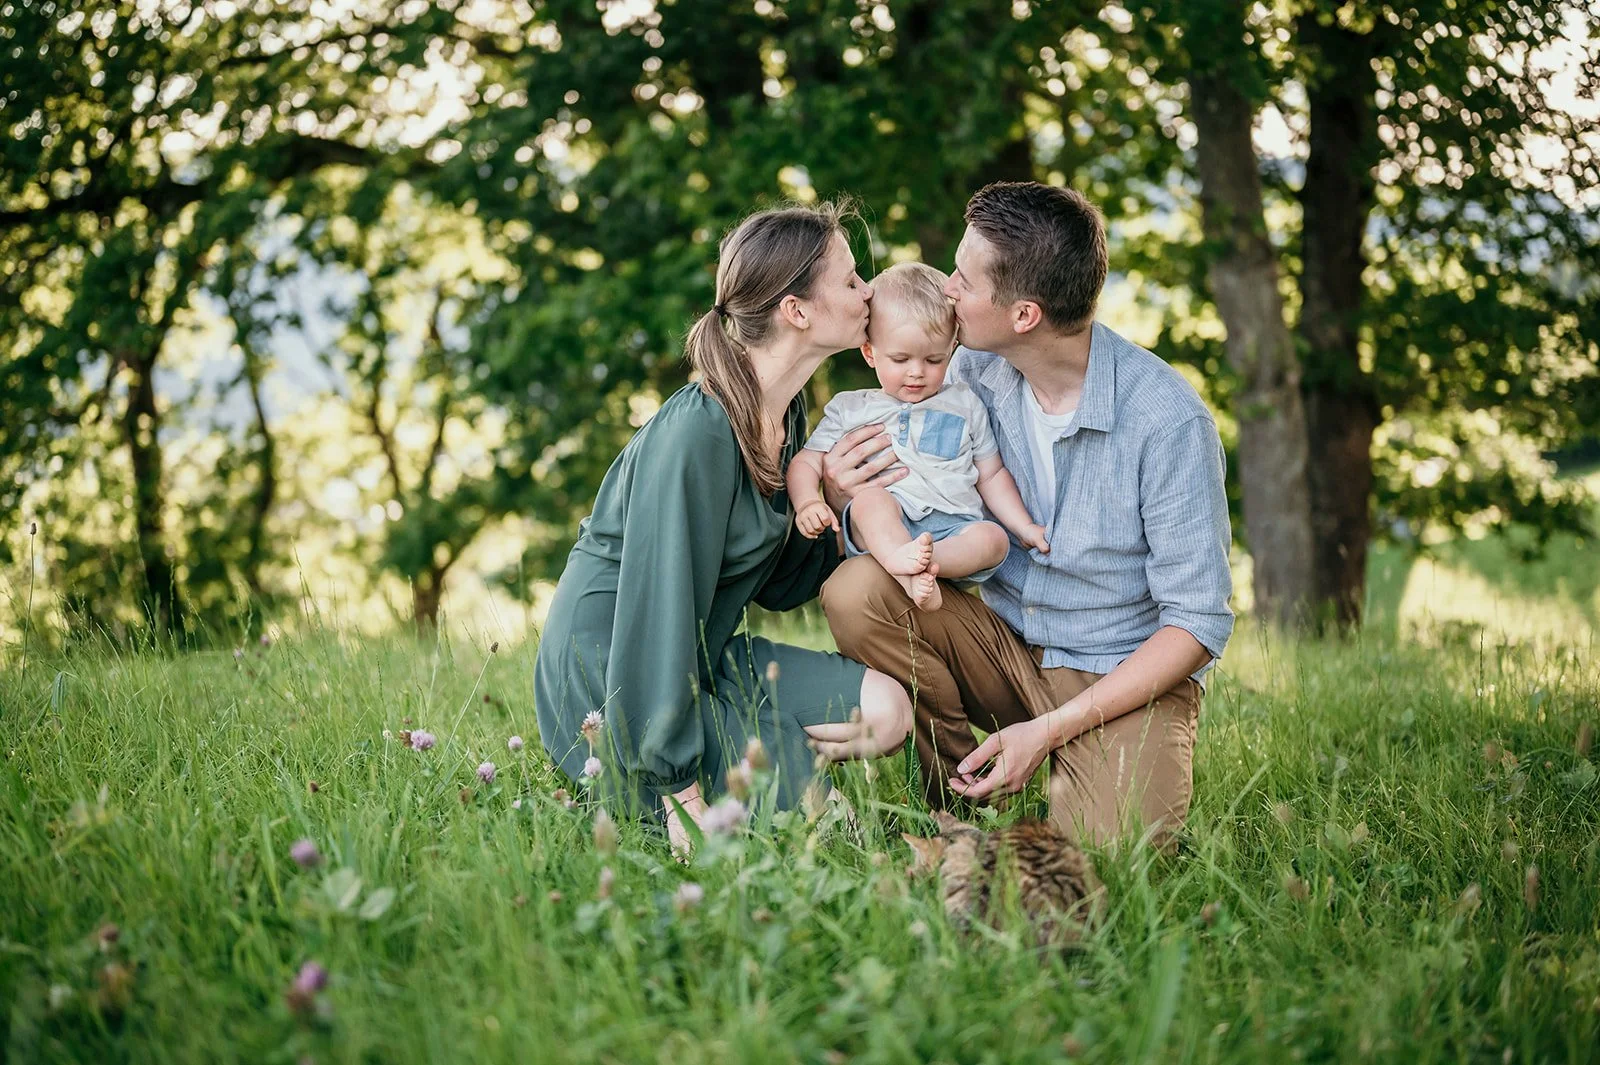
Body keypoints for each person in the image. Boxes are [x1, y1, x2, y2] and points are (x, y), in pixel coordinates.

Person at [819, 182, 1234, 848]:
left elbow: (1197, 623)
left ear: (1024, 316)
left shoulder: (1168, 422)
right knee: (859, 590)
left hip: (1115, 676)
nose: (947, 289)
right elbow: (898, 495)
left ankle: (1057, 764)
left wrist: (1049, 729)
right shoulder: (968, 375)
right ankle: (957, 796)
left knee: (1104, 864)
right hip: (1003, 647)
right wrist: (843, 488)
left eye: (963, 279)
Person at [534, 201, 912, 854]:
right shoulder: (698, 433)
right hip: (615, 682)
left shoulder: (788, 416)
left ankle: (767, 756)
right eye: (851, 279)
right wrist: (679, 794)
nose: (868, 291)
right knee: (826, 839)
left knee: (889, 712)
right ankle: (703, 773)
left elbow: (781, 587)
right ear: (798, 310)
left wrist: (832, 502)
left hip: (701, 659)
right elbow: (658, 613)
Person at [786, 262, 1048, 612]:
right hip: (888, 523)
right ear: (870, 352)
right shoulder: (851, 409)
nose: (916, 372)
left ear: (952, 349)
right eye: (900, 359)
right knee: (867, 503)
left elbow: (992, 475)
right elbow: (806, 461)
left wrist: (1025, 526)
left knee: (994, 538)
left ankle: (925, 561)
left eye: (933, 359)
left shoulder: (964, 403)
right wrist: (807, 502)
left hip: (954, 530)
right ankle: (903, 564)